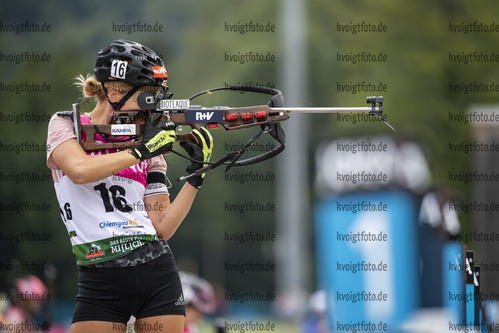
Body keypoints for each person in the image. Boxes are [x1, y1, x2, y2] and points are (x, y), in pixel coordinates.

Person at [46, 39, 213, 333]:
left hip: (156, 270)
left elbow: (161, 226)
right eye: (146, 99)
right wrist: (139, 152)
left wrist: (196, 175)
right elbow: (80, 171)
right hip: (99, 276)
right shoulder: (66, 125)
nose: (150, 110)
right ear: (112, 92)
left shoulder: (149, 142)